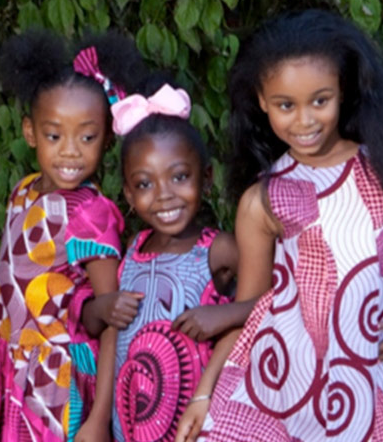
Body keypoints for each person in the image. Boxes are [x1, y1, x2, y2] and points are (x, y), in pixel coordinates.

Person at [175, 9, 383, 442]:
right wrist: (204, 394)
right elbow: (255, 308)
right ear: (261, 100)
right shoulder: (263, 198)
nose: (305, 120)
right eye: (285, 105)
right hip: (276, 394)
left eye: (320, 100)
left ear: (344, 90)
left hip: (367, 389)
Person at [0, 29, 146, 442]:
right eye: (54, 135)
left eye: (87, 137)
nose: (70, 151)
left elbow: (112, 322)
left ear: (107, 139)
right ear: (30, 132)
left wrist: (100, 417)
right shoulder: (23, 189)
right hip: (0, 366)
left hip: (53, 384)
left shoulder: (94, 215)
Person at [82, 76, 254, 442]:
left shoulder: (217, 249)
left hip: (195, 424)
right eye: (145, 184)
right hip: (130, 424)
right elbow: (112, 333)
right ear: (128, 192)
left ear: (206, 179)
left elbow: (279, 298)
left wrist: (223, 314)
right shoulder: (132, 251)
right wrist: (98, 420)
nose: (164, 196)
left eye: (178, 177)